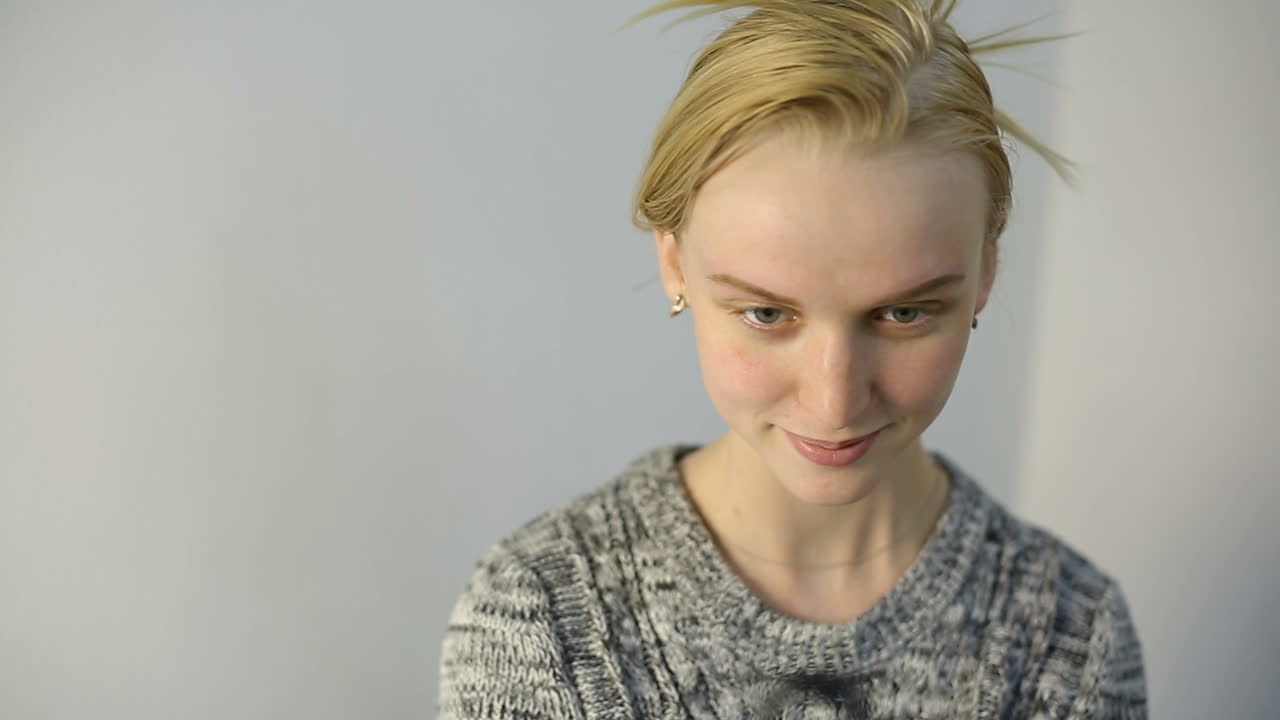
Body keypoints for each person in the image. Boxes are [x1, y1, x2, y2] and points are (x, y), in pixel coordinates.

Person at [438, 1, 1147, 718]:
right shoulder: (543, 618)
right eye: (767, 314)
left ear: (986, 273)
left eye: (904, 313)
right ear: (675, 264)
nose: (833, 403)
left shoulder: (1068, 637)